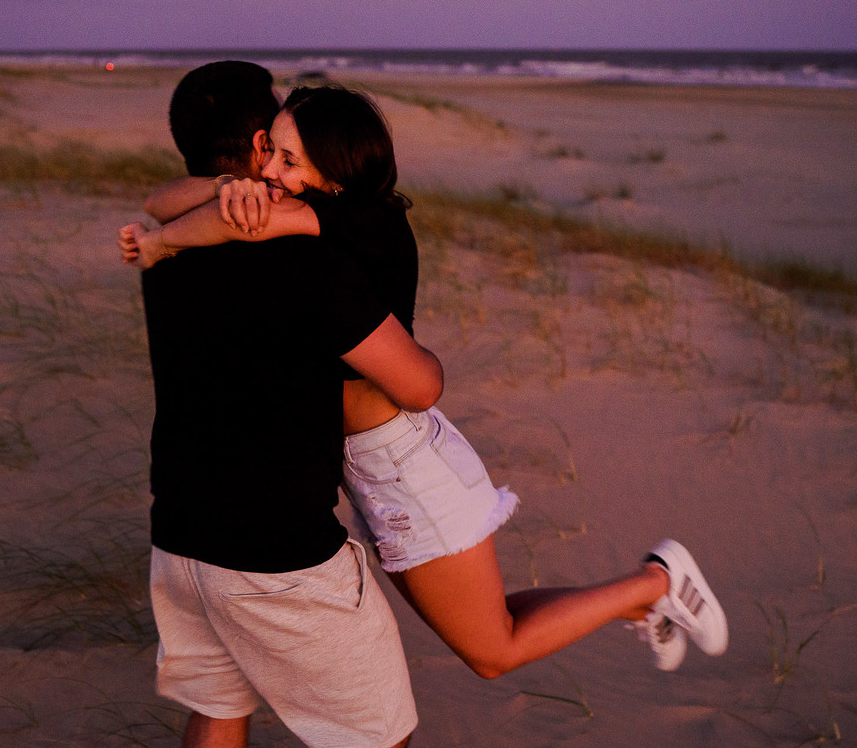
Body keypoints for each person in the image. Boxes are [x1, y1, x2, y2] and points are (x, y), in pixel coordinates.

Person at [121, 81, 729, 683]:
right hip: (365, 466)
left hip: (402, 459)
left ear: (332, 172)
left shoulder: (347, 221)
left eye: (288, 160)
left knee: (494, 652)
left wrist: (157, 243)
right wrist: (220, 194)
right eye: (269, 155)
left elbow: (209, 219)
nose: (271, 173)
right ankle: (645, 598)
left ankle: (658, 581)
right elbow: (164, 198)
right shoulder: (321, 209)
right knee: (489, 626)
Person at [131, 62, 435, 748]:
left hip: (180, 538)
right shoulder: (309, 256)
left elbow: (166, 210)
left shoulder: (167, 258)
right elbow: (417, 385)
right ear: (260, 143)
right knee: (380, 735)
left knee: (217, 709)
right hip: (278, 552)